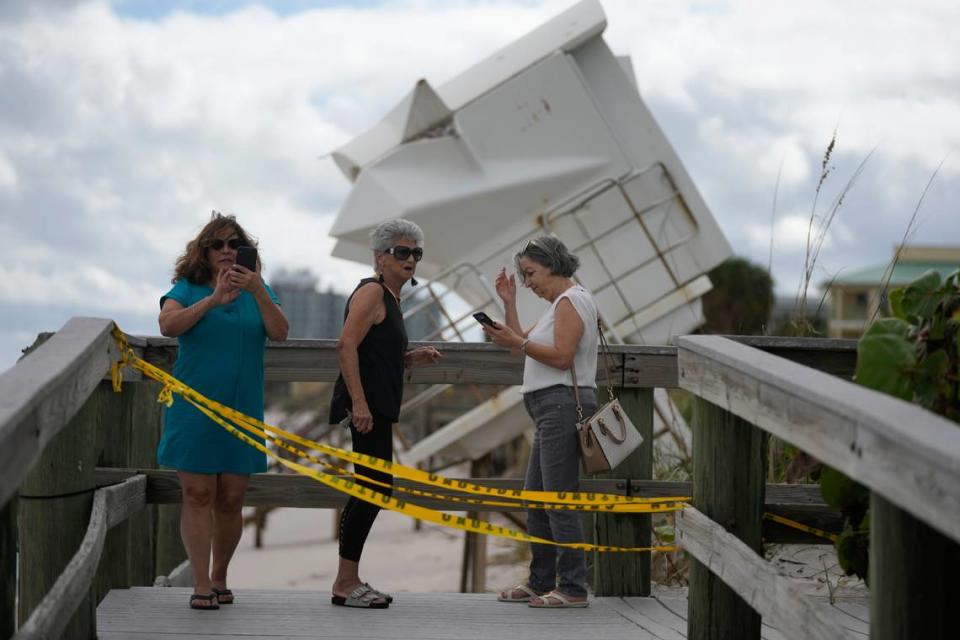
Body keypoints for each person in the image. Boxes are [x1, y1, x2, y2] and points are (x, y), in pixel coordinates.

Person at [157, 212, 289, 610]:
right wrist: (213, 301)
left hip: (242, 409)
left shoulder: (258, 289)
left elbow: (280, 332)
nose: (227, 251)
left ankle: (220, 577)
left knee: (232, 498)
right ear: (205, 251)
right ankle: (200, 583)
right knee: (198, 493)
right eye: (218, 244)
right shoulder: (189, 287)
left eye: (235, 244)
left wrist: (258, 291)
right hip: (194, 407)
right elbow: (168, 325)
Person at [328, 218, 441, 609]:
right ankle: (345, 582)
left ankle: (348, 578)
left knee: (372, 489)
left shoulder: (391, 298)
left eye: (416, 253)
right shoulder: (373, 292)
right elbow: (346, 346)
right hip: (369, 410)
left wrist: (410, 358)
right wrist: (359, 404)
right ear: (380, 257)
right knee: (372, 490)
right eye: (402, 252)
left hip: (378, 406)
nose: (411, 259)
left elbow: (374, 351)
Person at [483, 236, 599, 609]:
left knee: (556, 499)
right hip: (548, 406)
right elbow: (521, 344)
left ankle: (573, 588)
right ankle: (541, 580)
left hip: (561, 404)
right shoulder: (556, 307)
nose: (528, 281)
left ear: (553, 264)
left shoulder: (571, 301)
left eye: (531, 273)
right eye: (523, 275)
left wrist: (518, 340)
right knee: (536, 499)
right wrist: (509, 302)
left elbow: (562, 357)